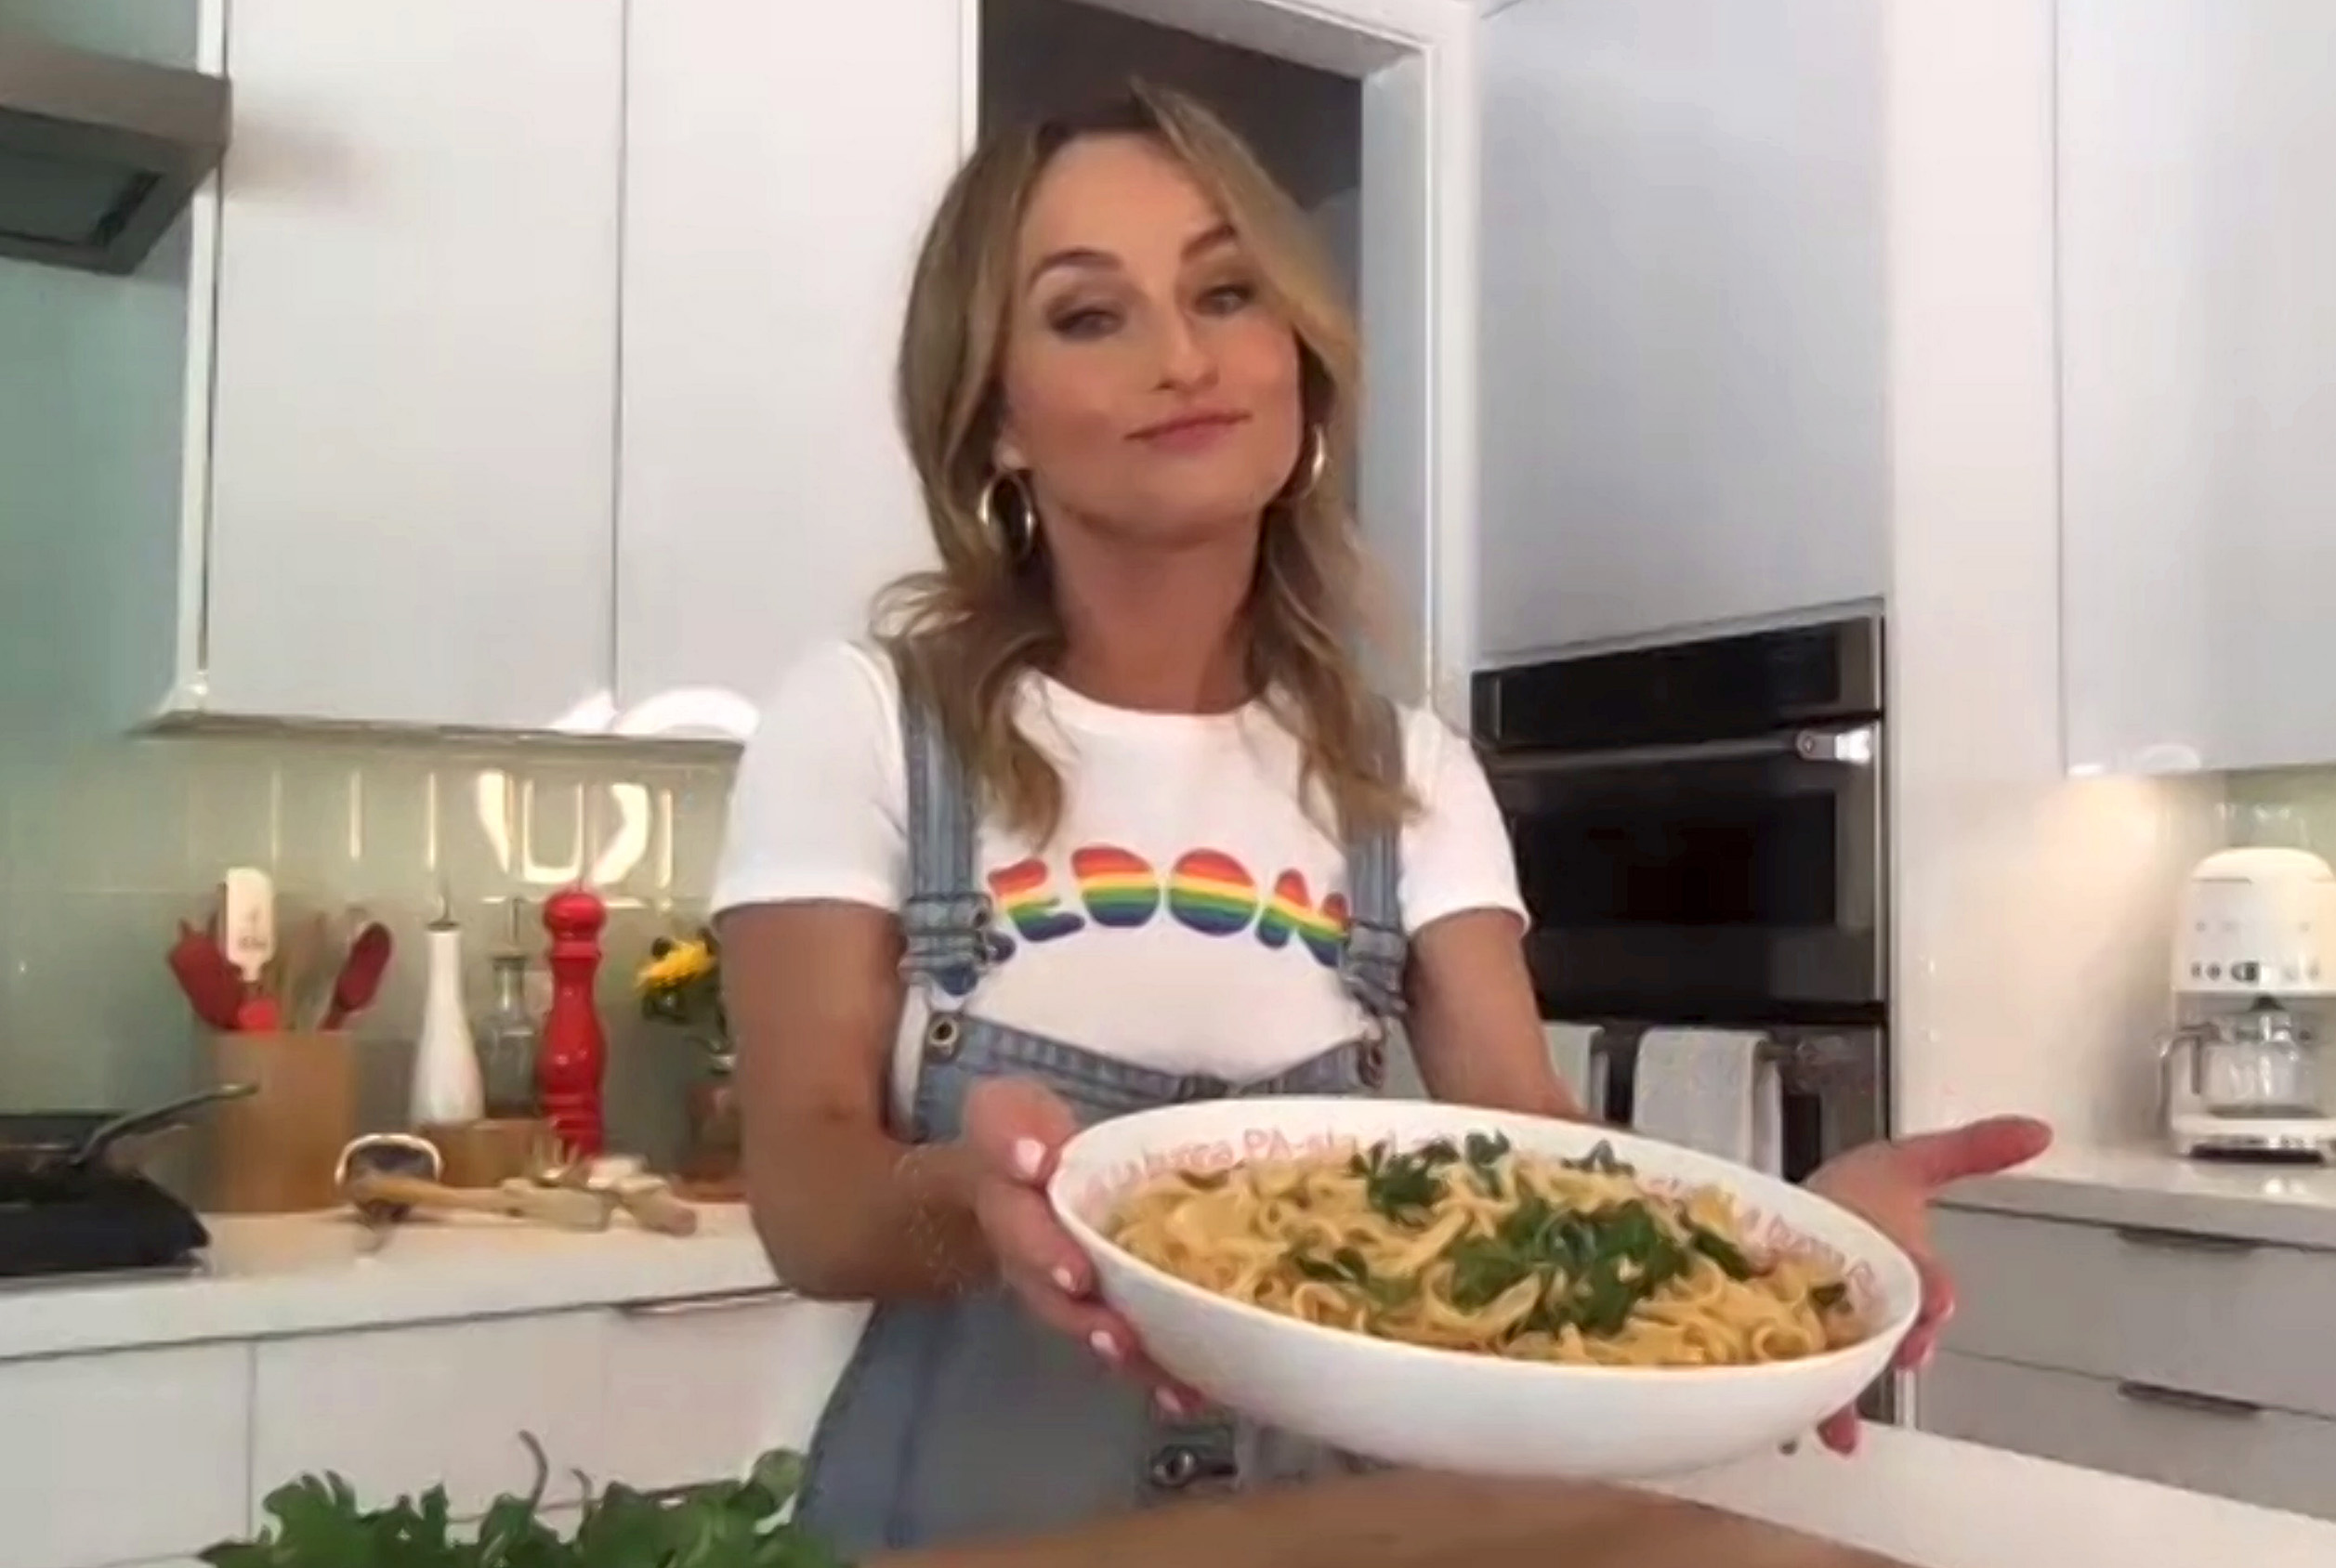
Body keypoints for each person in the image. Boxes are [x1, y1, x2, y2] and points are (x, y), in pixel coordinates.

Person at [710, 82, 2051, 1557]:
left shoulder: (1401, 772)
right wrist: (975, 1195)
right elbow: (810, 1195)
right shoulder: (866, 726)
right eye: (1091, 316)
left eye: (1227, 293)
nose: (1185, 357)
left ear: (1299, 361)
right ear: (996, 421)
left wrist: (1806, 1251)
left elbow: (1538, 1160)